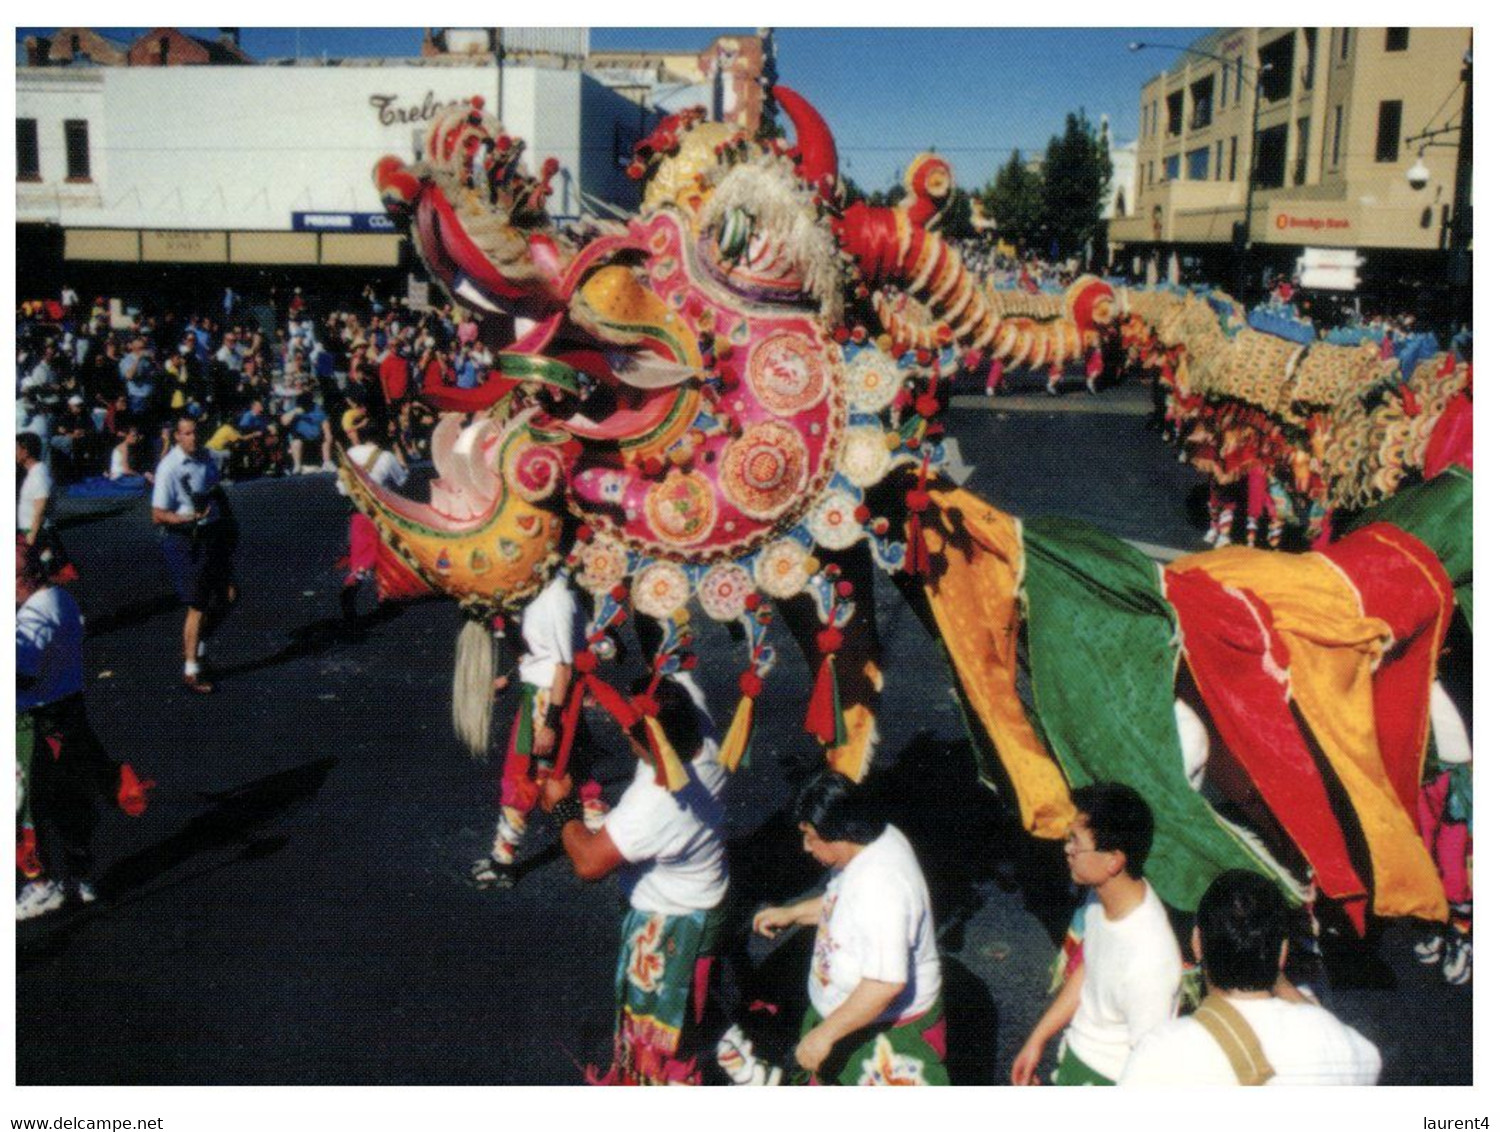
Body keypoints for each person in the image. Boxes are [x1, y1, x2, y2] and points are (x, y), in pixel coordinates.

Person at [540, 674, 729, 1084]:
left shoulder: (656, 804)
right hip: (695, 900)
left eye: (631, 728)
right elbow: (677, 679)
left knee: (666, 1043)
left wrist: (562, 810)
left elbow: (588, 863)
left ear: (654, 741)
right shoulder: (701, 732)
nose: (624, 729)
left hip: (675, 922)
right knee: (673, 1024)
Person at [753, 771, 949, 1085]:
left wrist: (823, 1037)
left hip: (886, 1028)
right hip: (850, 1017)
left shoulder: (883, 888)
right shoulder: (870, 841)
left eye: (811, 837)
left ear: (841, 834)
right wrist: (794, 913)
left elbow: (885, 984)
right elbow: (842, 905)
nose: (806, 847)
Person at [1119, 870, 1381, 1085]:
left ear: (1197, 943)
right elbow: (1369, 1061)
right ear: (1282, 953)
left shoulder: (1162, 1053)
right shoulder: (1332, 1037)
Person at [1011, 783, 1181, 1086]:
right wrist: (1038, 1038)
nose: (1067, 849)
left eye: (1076, 842)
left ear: (1114, 860)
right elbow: (1090, 969)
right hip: (1076, 1057)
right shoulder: (1098, 900)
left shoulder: (1150, 958)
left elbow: (1151, 1068)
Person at [17, 541, 151, 920]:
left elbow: (21, 675)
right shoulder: (57, 599)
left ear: (27, 577)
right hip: (66, 714)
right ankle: (79, 877)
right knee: (68, 801)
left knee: (25, 807)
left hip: (36, 722)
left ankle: (42, 885)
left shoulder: (35, 614)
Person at [471, 570, 583, 888]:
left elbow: (564, 665)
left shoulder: (556, 599)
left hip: (547, 700)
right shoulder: (540, 593)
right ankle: (597, 837)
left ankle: (503, 861)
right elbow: (543, 652)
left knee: (521, 775)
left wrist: (548, 725)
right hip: (542, 693)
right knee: (577, 768)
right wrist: (511, 674)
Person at [152, 415, 239, 694]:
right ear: (177, 436)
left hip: (212, 535)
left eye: (195, 433)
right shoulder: (170, 468)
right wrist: (186, 518)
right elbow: (157, 515)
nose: (192, 438)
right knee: (198, 604)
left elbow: (214, 491)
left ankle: (197, 645)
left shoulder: (206, 457)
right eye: (186, 434)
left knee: (228, 595)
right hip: (185, 540)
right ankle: (191, 670)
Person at [334, 407, 408, 630]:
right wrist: (399, 453)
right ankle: (381, 596)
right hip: (383, 514)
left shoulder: (350, 455)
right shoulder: (386, 457)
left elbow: (341, 488)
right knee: (386, 556)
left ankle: (357, 589)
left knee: (362, 557)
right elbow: (402, 480)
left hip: (359, 513)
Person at [16, 433, 53, 549]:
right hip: (30, 532)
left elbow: (40, 510)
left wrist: (29, 542)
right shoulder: (32, 473)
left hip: (37, 535)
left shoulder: (39, 474)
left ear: (25, 452)